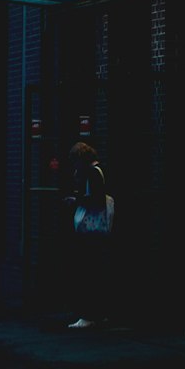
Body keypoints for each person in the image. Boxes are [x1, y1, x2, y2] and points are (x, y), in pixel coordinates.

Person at [64, 141, 113, 329]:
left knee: (88, 270)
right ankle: (100, 313)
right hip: (101, 234)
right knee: (99, 271)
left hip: (92, 234)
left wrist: (76, 200)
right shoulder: (102, 170)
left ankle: (88, 314)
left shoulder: (93, 174)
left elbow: (96, 199)